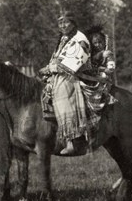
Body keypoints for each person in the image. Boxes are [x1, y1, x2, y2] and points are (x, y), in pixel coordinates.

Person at [39, 11, 94, 155]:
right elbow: (56, 58)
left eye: (66, 22)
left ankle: (73, 139)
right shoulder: (64, 39)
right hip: (59, 73)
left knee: (62, 91)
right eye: (60, 23)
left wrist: (51, 68)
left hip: (76, 75)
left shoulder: (81, 39)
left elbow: (72, 64)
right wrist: (47, 68)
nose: (62, 25)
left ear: (73, 23)